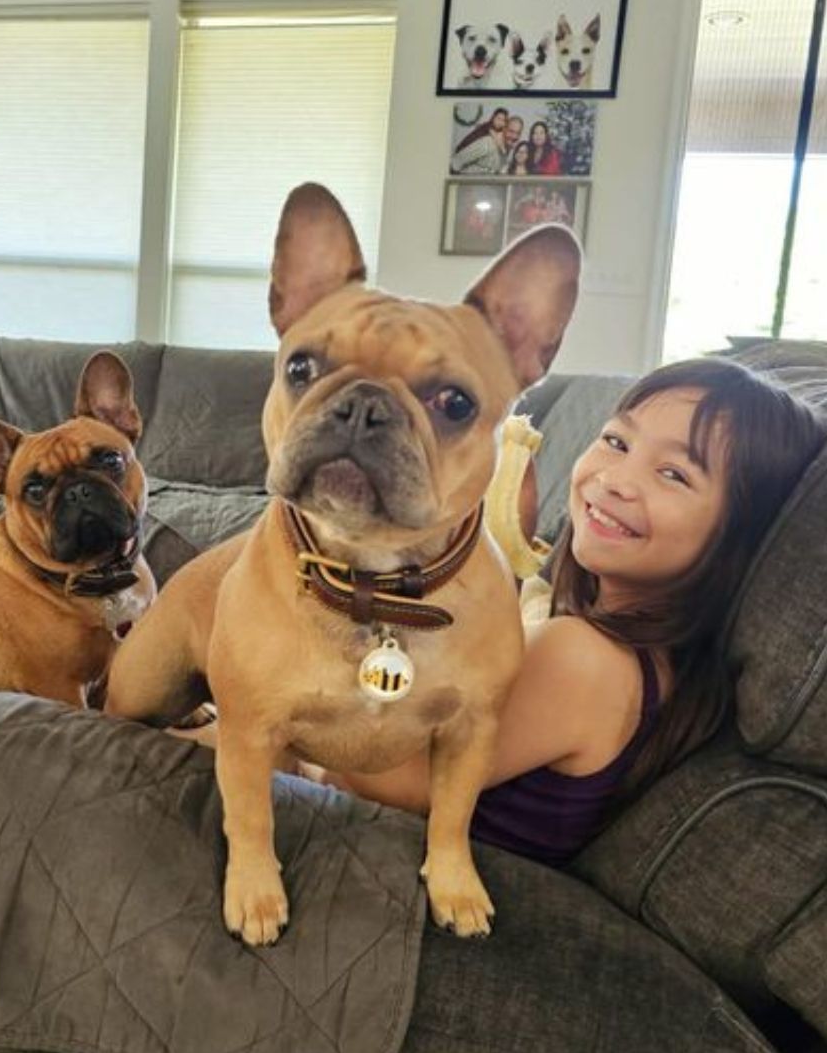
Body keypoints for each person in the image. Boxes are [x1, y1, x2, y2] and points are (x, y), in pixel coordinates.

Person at [315, 358, 826, 865]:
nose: (616, 480)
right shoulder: (644, 661)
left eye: (674, 474)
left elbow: (393, 775)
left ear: (735, 536)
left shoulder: (584, 658)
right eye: (617, 442)